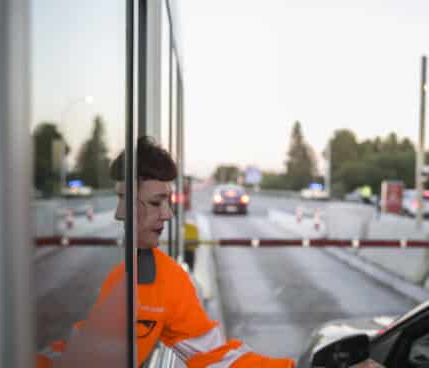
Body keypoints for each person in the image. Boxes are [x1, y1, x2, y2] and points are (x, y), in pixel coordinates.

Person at [37, 136, 294, 367]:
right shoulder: (119, 275)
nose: (168, 214)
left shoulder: (165, 278)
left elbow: (215, 357)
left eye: (167, 202)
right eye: (155, 202)